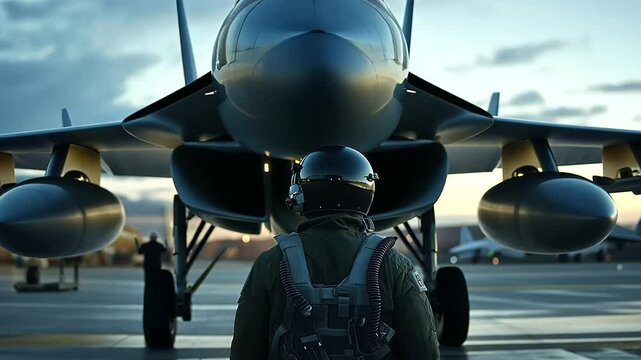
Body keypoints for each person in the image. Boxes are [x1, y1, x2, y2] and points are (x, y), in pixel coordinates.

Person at [231, 146, 439, 359]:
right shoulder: (394, 264)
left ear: (301, 194)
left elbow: (245, 347)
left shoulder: (272, 262)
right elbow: (423, 347)